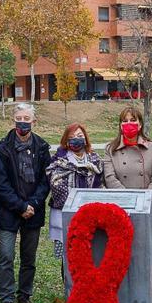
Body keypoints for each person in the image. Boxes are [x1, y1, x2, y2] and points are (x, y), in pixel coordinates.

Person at [103, 106, 152, 302]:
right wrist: (128, 200)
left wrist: (144, 200)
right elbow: (109, 177)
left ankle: (149, 297)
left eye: (133, 120)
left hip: (150, 206)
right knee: (122, 254)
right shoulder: (110, 149)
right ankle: (123, 296)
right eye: (125, 121)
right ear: (120, 125)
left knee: (148, 253)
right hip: (122, 208)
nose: (129, 124)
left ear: (140, 123)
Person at [0, 103, 51, 303]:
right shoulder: (2, 147)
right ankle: (6, 299)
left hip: (33, 211)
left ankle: (24, 296)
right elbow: (0, 183)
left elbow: (46, 181)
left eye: (27, 119)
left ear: (34, 122)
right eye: (19, 118)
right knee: (6, 256)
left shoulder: (42, 147)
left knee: (29, 257)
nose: (23, 122)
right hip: (9, 210)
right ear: (13, 120)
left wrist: (33, 204)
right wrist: (19, 206)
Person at [46, 123, 104, 287]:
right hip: (66, 216)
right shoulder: (58, 162)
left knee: (91, 254)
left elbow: (100, 186)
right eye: (72, 137)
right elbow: (57, 187)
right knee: (69, 256)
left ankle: (90, 290)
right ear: (65, 141)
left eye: (80, 136)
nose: (76, 140)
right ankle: (71, 290)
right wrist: (78, 203)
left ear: (85, 138)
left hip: (91, 216)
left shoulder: (96, 160)